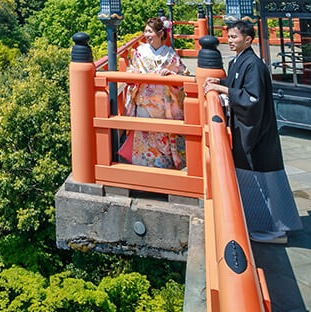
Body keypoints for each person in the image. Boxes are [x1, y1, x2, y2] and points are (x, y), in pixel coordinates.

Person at [204, 19, 302, 244]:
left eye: (234, 37)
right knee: (253, 180)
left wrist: (221, 88)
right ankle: (263, 224)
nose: (230, 41)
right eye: (228, 37)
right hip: (248, 129)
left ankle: (276, 230)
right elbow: (238, 85)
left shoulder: (254, 64)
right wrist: (221, 81)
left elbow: (252, 98)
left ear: (248, 39)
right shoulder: (241, 60)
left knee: (263, 180)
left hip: (258, 132)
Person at [123, 17, 190, 169]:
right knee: (144, 133)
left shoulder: (170, 54)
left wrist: (171, 75)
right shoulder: (140, 52)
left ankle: (162, 167)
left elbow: (183, 73)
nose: (146, 35)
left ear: (160, 33)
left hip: (163, 103)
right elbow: (132, 71)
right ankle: (142, 167)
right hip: (144, 101)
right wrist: (134, 74)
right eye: (145, 31)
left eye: (150, 31)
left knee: (162, 134)